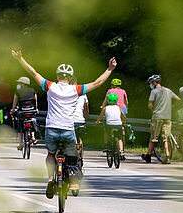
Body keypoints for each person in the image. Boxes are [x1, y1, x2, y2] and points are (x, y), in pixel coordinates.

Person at [11, 50, 116, 198]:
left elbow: (34, 73)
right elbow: (97, 83)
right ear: (71, 77)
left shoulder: (50, 86)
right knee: (72, 154)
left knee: (51, 154)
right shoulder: (76, 89)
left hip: (52, 128)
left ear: (58, 76)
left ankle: (51, 178)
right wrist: (109, 69)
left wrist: (20, 59)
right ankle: (73, 182)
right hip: (67, 129)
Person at [142, 75, 180, 164]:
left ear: (154, 82)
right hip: (167, 117)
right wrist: (172, 107)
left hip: (157, 117)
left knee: (153, 138)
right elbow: (178, 99)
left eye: (151, 83)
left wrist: (154, 110)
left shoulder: (154, 91)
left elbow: (150, 105)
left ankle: (148, 156)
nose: (150, 85)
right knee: (165, 138)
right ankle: (167, 156)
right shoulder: (168, 90)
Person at [96, 92, 126, 158]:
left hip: (109, 125)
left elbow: (101, 116)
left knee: (106, 133)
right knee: (120, 138)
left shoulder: (105, 108)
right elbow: (123, 116)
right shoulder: (118, 108)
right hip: (118, 125)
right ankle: (121, 151)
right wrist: (124, 122)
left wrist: (97, 121)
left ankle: (106, 145)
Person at [12, 76, 38, 149]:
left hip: (22, 111)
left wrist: (13, 109)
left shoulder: (18, 91)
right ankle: (33, 136)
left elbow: (14, 102)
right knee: (32, 119)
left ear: (22, 84)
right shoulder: (33, 90)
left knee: (20, 125)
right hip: (31, 110)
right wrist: (36, 109)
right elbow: (35, 101)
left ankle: (20, 144)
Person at [70, 76, 89, 170]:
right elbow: (86, 109)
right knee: (80, 138)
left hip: (69, 121)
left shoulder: (67, 92)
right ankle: (80, 156)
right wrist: (85, 118)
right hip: (80, 120)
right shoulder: (83, 94)